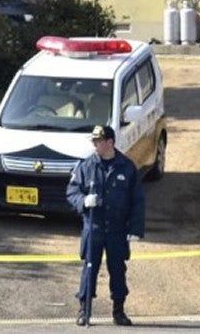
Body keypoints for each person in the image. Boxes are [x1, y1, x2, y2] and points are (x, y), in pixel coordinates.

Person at [67, 124, 145, 326]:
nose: (95, 145)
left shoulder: (127, 167)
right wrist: (83, 201)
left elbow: (137, 200)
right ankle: (85, 309)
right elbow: (72, 191)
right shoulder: (86, 166)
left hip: (117, 230)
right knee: (89, 269)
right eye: (93, 141)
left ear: (110, 142)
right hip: (94, 228)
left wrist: (135, 229)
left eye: (98, 141)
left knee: (117, 269)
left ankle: (118, 310)